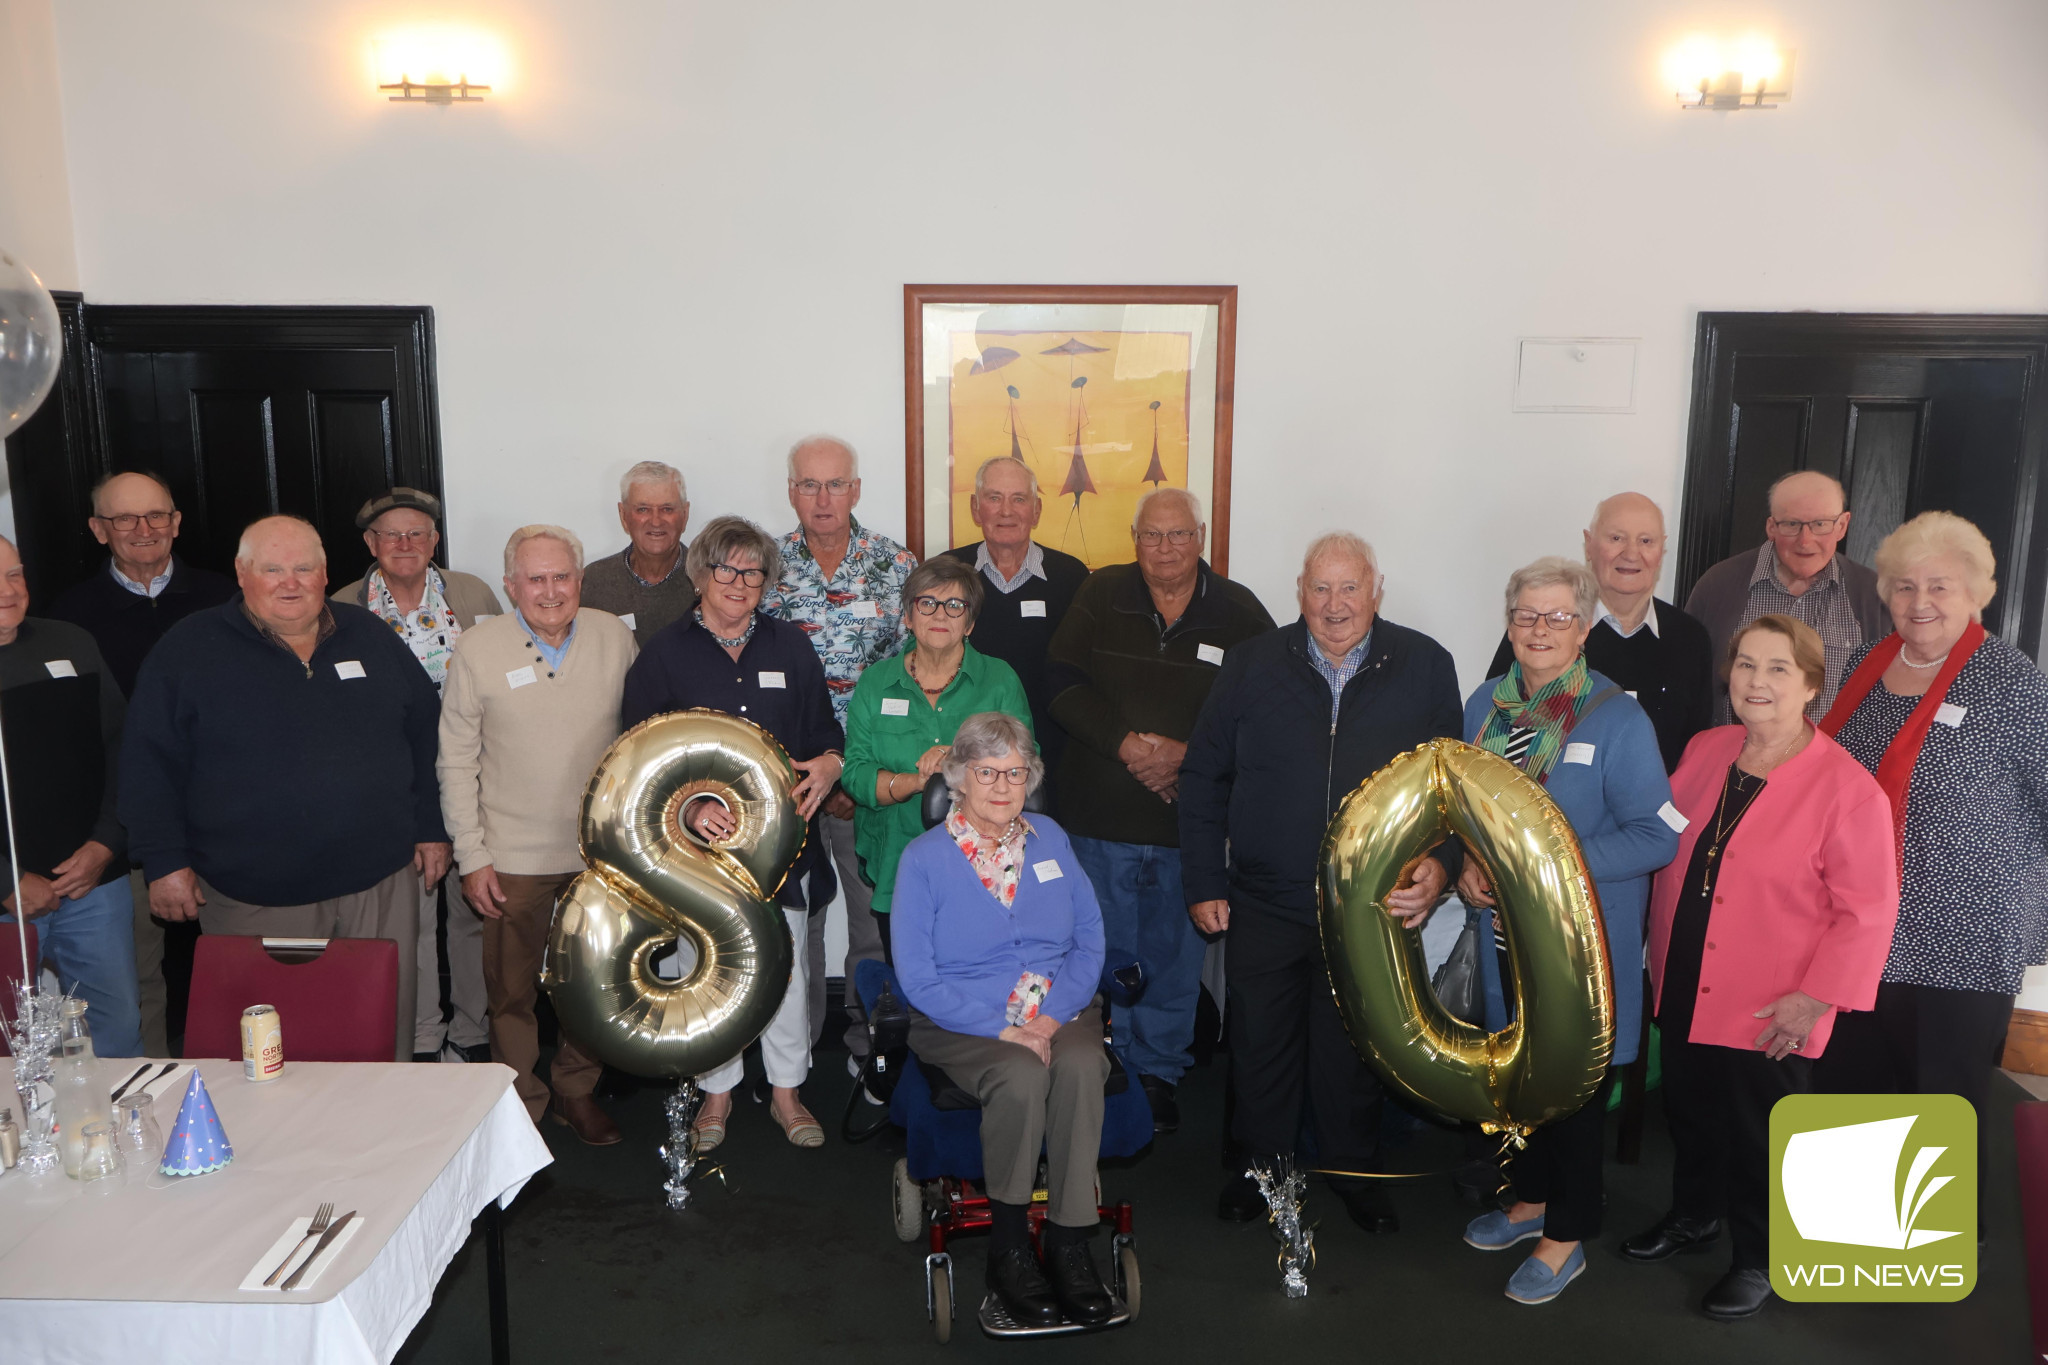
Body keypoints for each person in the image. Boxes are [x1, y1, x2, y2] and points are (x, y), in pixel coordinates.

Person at [1179, 531, 1457, 1233]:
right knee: (1259, 1042)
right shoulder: (1250, 664)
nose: (1334, 605)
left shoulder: (1424, 664)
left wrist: (1443, 865)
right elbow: (1204, 775)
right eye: (1320, 588)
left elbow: (1451, 790)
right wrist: (1205, 876)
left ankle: (1351, 1171)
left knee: (1355, 1050)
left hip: (1369, 902)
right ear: (1300, 591)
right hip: (1264, 896)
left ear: (1376, 588)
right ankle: (1260, 1170)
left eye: (1349, 587)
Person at [1627, 614, 1898, 1320]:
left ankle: (1761, 1257)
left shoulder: (1846, 786)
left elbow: (1867, 909)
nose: (1757, 681)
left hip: (1774, 998)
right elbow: (1663, 840)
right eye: (1746, 664)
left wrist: (1817, 999)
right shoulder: (1704, 749)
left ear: (1811, 682)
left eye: (1778, 668)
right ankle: (1694, 1215)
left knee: (1761, 1132)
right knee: (1691, 1112)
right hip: (1684, 975)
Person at [120, 515, 449, 1062]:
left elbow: (425, 736)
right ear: (242, 574)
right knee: (273, 1047)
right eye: (272, 569)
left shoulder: (367, 634)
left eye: (303, 568)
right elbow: (148, 762)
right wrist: (163, 860)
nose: (289, 582)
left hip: (380, 886)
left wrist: (432, 828)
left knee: (379, 1033)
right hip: (256, 895)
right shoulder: (189, 650)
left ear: (325, 575)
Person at [1449, 557, 1677, 1304]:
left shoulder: (1617, 717)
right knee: (1523, 1075)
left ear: (1583, 629)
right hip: (1504, 935)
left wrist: (1553, 859)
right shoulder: (1485, 705)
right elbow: (1466, 810)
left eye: (1557, 617)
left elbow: (1657, 837)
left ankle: (1568, 1233)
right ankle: (1532, 1198)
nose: (1540, 630)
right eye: (1526, 616)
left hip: (1579, 945)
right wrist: (1472, 867)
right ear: (1509, 624)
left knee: (1573, 1091)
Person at [1814, 512, 2048, 1215]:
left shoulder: (2013, 682)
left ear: (1977, 590)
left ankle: (1940, 1240)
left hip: (1964, 931)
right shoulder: (1864, 664)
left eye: (1940, 586)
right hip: (1861, 922)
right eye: (1905, 585)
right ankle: (1858, 1226)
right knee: (1853, 1079)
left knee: (1943, 1091)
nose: (1921, 602)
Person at [1048, 487, 1274, 1134]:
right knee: (1098, 948)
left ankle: (1159, 1071)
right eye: (1152, 535)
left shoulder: (1239, 611)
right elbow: (1062, 682)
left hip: (1187, 826)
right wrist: (1127, 746)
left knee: (1174, 957)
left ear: (1200, 536)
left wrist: (1187, 754)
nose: (1165, 548)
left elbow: (1264, 710)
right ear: (1134, 536)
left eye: (1178, 535)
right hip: (1098, 818)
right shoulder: (1099, 594)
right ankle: (1101, 1062)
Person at [620, 515, 844, 1151]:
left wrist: (829, 764)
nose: (741, 582)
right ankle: (715, 1097)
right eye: (727, 568)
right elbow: (638, 754)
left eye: (754, 571)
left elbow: (825, 735)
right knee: (707, 971)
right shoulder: (664, 653)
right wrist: (688, 810)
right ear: (701, 574)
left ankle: (786, 1093)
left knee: (788, 969)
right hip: (698, 853)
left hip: (782, 847)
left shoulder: (791, 647)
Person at [890, 711, 1113, 1328]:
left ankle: (1069, 1243)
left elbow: (1091, 940)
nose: (1001, 785)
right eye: (986, 772)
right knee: (1017, 1074)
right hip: (962, 1018)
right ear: (957, 778)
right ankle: (1010, 1247)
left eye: (1015, 773)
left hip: (1058, 1006)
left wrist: (1053, 1016)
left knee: (1081, 1061)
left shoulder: (1051, 839)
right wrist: (1006, 1029)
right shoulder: (924, 858)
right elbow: (918, 977)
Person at [439, 525, 638, 1143]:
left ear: (580, 581)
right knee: (511, 992)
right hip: (510, 856)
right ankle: (521, 1100)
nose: (550, 591)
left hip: (598, 855)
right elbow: (455, 761)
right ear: (510, 586)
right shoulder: (476, 648)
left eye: (562, 577)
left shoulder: (616, 637)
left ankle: (577, 1090)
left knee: (591, 984)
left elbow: (640, 741)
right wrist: (472, 857)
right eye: (535, 578)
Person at [50, 470, 234, 1056]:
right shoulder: (68, 619)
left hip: (229, 821)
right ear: (98, 530)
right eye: (124, 519)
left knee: (241, 974)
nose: (143, 529)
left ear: (177, 523)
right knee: (138, 987)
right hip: (129, 832)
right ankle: (151, 1105)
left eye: (156, 515)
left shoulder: (228, 598)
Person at [331, 487, 502, 1064]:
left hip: (476, 778)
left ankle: (474, 1032)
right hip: (394, 786)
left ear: (434, 542)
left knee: (474, 907)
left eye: (417, 534)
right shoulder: (342, 606)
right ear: (370, 544)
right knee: (413, 916)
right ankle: (424, 1037)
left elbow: (502, 671)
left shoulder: (472, 594)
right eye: (391, 535)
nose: (405, 544)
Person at [763, 434, 918, 1061]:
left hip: (870, 776)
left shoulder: (898, 566)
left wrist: (854, 775)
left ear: (855, 489)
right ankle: (789, 1055)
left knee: (872, 919)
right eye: (809, 485)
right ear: (791, 492)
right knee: (793, 922)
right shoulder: (764, 566)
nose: (823, 499)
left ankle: (867, 1048)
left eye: (835, 485)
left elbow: (912, 677)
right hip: (787, 779)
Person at [843, 558, 1031, 953]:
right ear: (908, 616)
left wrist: (959, 756)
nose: (940, 614)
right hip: (898, 860)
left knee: (977, 979)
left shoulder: (999, 680)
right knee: (911, 981)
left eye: (955, 606)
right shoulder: (877, 683)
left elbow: (1025, 765)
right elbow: (856, 775)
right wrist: (915, 783)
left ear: (971, 622)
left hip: (986, 863)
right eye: (926, 603)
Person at [0, 536, 141, 1057]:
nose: (8, 590)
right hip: (5, 900)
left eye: (15, 574)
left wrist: (106, 843)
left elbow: (123, 746)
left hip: (93, 886)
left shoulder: (72, 641)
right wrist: (6, 880)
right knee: (14, 1049)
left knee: (118, 1031)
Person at [1485, 493, 1714, 772]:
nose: (1631, 553)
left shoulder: (1690, 638)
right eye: (1616, 538)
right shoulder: (1544, 631)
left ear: (1661, 550)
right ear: (1589, 544)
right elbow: (1496, 722)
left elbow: (1697, 751)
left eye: (1646, 541)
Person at [1684, 471, 1888, 722]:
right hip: (1733, 756)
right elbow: (1687, 684)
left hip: (1832, 760)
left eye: (1820, 524)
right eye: (1792, 524)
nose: (1806, 540)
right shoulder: (1718, 586)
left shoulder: (1873, 595)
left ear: (1842, 526)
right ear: (1771, 527)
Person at [939, 456, 1089, 796]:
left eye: (1018, 499)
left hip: (1052, 759)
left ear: (1036, 510)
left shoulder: (1072, 578)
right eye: (994, 498)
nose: (1006, 511)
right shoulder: (946, 573)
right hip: (962, 757)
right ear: (976, 509)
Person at [580, 460, 697, 644]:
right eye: (643, 509)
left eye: (667, 509)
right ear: (623, 516)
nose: (656, 521)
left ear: (685, 514)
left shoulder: (710, 581)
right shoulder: (593, 583)